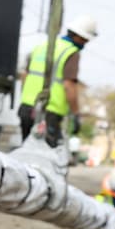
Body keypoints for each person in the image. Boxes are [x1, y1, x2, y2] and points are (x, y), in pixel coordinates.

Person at [18, 15, 98, 148]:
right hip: (49, 112)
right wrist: (76, 113)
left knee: (27, 151)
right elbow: (69, 86)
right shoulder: (71, 52)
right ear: (79, 37)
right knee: (47, 156)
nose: (85, 43)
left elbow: (25, 76)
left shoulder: (42, 47)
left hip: (27, 108)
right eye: (85, 40)